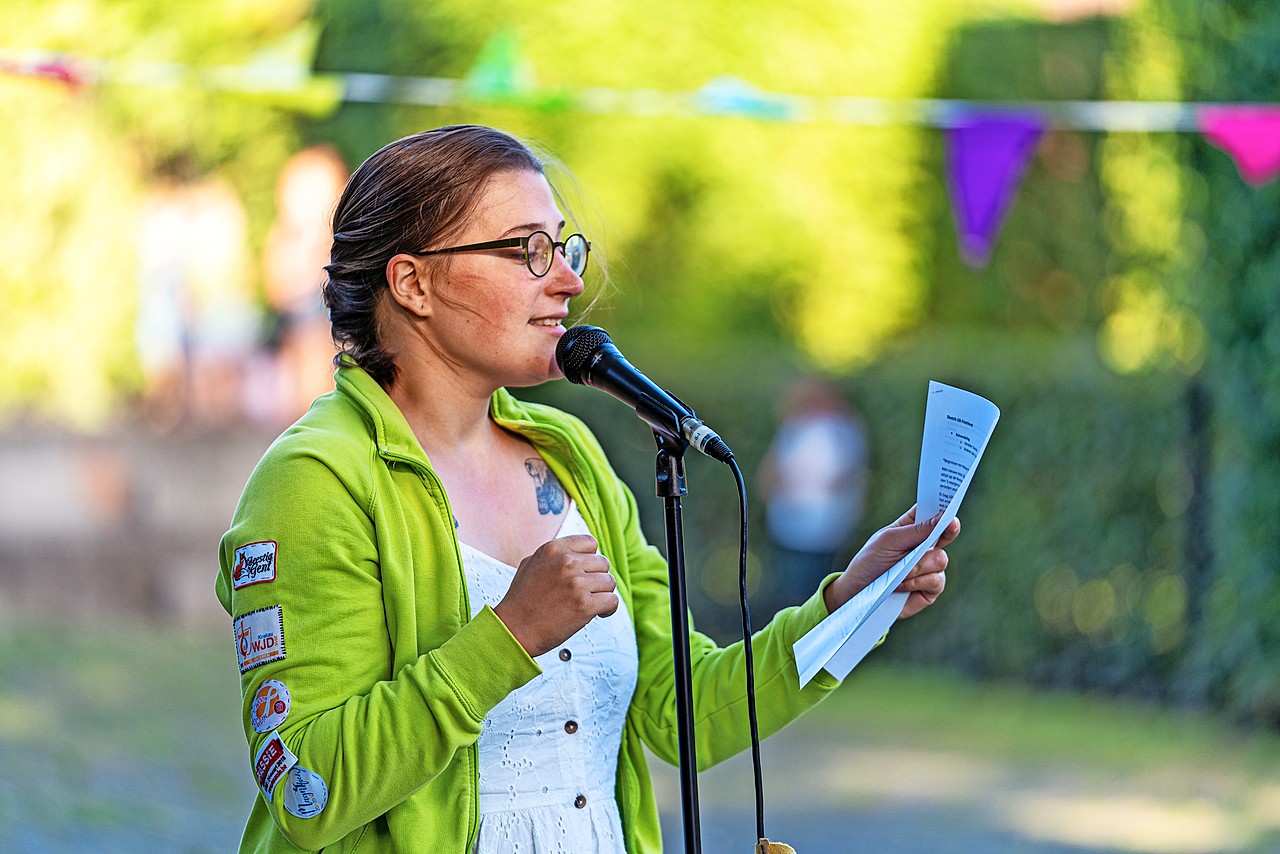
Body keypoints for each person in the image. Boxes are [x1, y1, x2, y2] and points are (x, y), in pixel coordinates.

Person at [215, 125, 958, 853]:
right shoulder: (315, 481)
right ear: (412, 283)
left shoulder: (570, 455)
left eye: (564, 247)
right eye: (526, 250)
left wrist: (849, 606)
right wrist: (508, 636)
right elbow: (307, 789)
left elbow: (682, 711)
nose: (568, 280)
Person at [760, 377, 870, 613]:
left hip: (825, 524)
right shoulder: (795, 427)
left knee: (815, 583)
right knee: (793, 584)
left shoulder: (843, 430)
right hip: (789, 520)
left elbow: (847, 474)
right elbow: (774, 470)